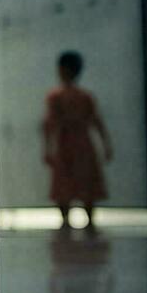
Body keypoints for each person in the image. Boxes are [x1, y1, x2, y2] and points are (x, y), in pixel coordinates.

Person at [42, 50, 112, 229]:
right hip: (79, 143)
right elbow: (96, 122)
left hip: (68, 143)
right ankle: (81, 220)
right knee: (80, 182)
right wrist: (106, 144)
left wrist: (47, 148)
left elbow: (49, 125)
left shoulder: (58, 96)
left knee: (69, 183)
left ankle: (72, 219)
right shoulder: (81, 96)